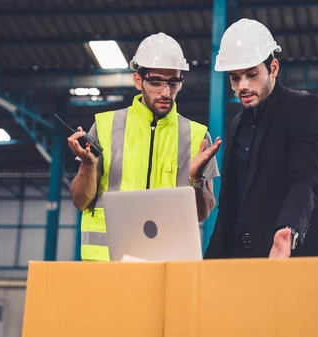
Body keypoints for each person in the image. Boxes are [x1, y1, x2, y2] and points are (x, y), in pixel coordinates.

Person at [68, 32, 222, 262]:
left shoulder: (198, 136)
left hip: (168, 263)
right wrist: (88, 166)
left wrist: (195, 180)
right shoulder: (104, 126)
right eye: (156, 82)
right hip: (107, 264)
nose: (165, 93)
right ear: (138, 80)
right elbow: (81, 201)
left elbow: (202, 213)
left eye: (173, 83)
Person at [204, 18, 318, 260]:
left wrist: (288, 231)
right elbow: (231, 203)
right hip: (240, 256)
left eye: (251, 75)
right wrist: (211, 260)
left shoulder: (306, 109)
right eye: (234, 78)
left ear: (273, 68)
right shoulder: (236, 124)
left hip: (288, 255)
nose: (242, 86)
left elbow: (305, 181)